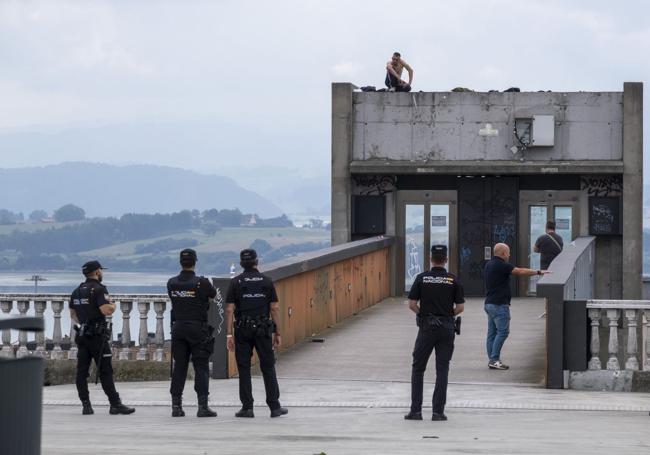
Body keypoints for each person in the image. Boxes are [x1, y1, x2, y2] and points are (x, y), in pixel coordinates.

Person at [404, 245, 464, 422]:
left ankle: (416, 411)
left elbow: (412, 304)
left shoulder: (422, 278)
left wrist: (424, 315)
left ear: (431, 259)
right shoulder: (453, 280)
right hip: (446, 327)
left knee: (418, 368)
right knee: (442, 370)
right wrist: (446, 316)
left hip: (427, 327)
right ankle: (438, 412)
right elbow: (460, 307)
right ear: (445, 259)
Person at [225, 249, 288, 418]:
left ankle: (247, 407)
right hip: (263, 329)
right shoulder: (266, 281)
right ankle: (274, 407)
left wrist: (229, 335)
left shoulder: (236, 282)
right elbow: (274, 307)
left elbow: (230, 310)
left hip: (242, 329)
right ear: (257, 262)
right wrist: (278, 332)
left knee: (244, 368)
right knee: (268, 366)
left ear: (241, 264)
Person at [69, 260, 135, 416]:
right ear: (97, 272)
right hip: (97, 337)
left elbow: (73, 315)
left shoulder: (76, 291)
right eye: (101, 270)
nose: (102, 273)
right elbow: (106, 310)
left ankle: (86, 404)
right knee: (105, 371)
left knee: (82, 372)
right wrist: (113, 305)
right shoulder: (99, 289)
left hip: (82, 335)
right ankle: (115, 404)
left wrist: (86, 321)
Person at [167, 248, 218, 417]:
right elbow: (213, 296)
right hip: (197, 328)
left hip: (178, 327)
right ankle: (202, 407)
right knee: (201, 366)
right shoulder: (201, 283)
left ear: (180, 262)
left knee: (179, 367)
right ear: (195, 261)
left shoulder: (172, 282)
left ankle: (176, 406)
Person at [484, 243, 551, 370]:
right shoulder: (501, 265)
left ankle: (492, 359)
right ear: (503, 253)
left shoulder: (489, 264)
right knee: (503, 332)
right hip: (499, 304)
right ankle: (494, 359)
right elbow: (519, 271)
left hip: (489, 303)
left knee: (492, 333)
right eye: (508, 252)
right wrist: (538, 272)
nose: (509, 255)